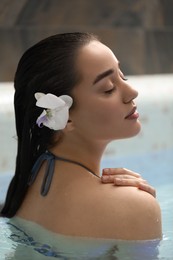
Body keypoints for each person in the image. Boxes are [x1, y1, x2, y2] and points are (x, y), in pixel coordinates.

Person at [1, 32, 162, 240]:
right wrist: (141, 211)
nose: (131, 92)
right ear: (64, 118)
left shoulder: (26, 185)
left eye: (123, 76)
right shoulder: (133, 207)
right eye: (108, 88)